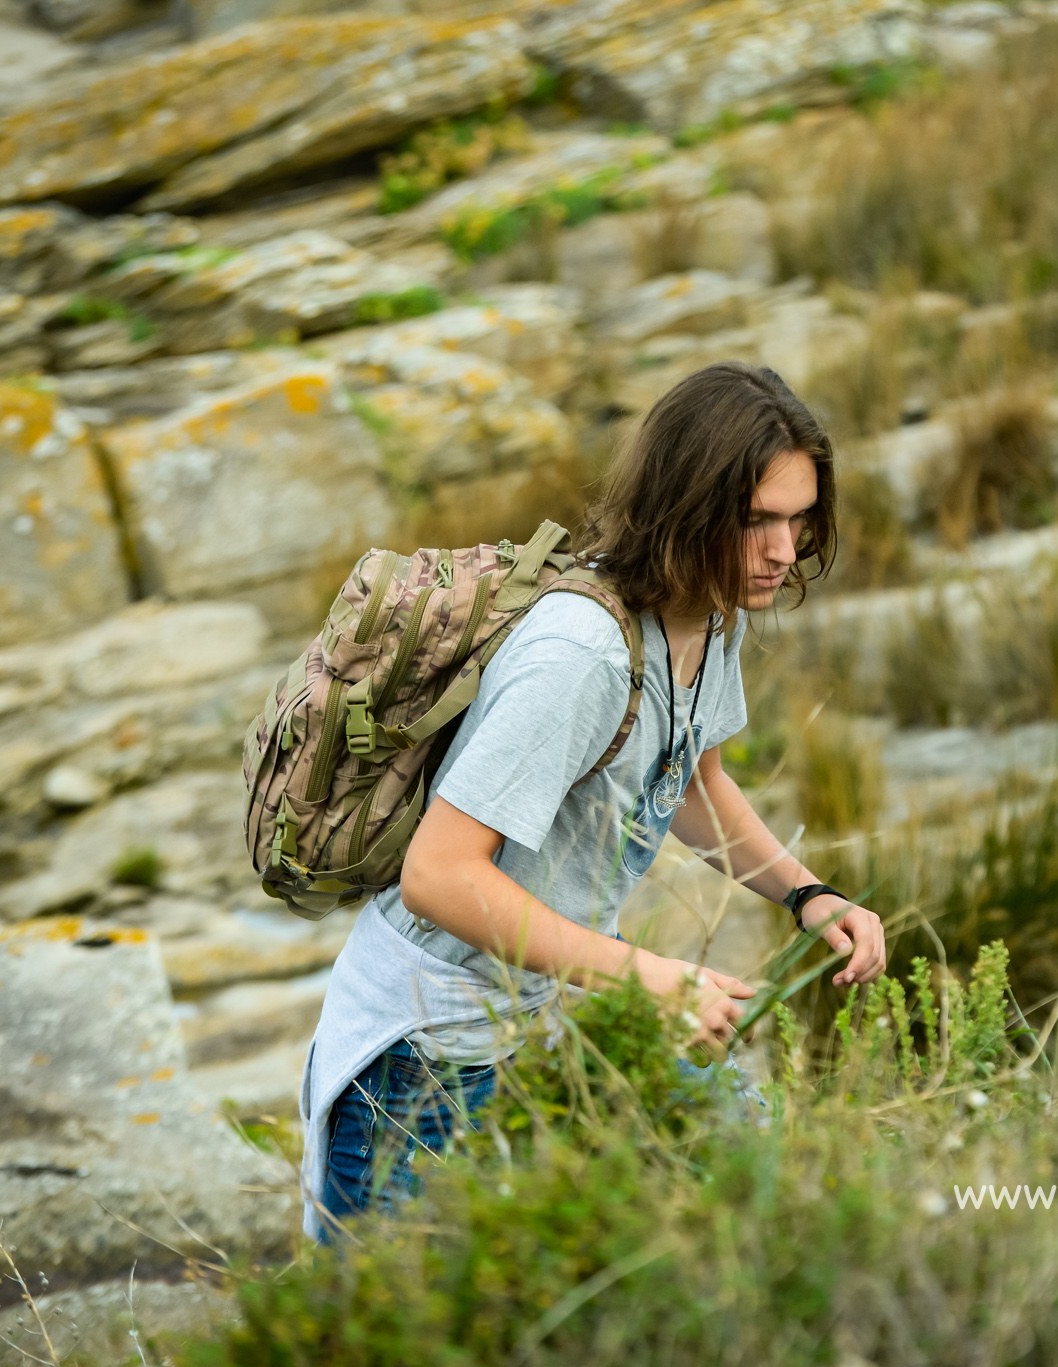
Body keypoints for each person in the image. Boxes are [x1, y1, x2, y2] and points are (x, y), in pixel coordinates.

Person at [297, 360, 889, 1241]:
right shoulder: (582, 654)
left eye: (800, 519)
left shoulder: (708, 614)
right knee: (404, 1328)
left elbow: (692, 781)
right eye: (757, 520)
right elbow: (439, 875)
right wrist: (649, 977)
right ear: (687, 507)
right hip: (423, 1062)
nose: (783, 551)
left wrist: (809, 893)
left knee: (748, 1189)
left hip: (550, 1016)